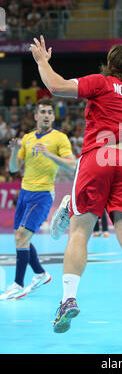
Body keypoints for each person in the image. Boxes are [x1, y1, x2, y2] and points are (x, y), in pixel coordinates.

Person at [30, 36, 122, 336]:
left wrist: (42, 61)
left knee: (80, 231)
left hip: (98, 156)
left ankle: (68, 299)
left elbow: (56, 87)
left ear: (110, 65)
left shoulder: (101, 83)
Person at [0, 98, 76, 300]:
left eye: (49, 112)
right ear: (35, 116)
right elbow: (15, 169)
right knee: (21, 238)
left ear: (53, 116)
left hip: (42, 195)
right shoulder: (27, 138)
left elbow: (72, 165)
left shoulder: (60, 138)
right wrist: (15, 151)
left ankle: (18, 285)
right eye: (42, 112)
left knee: (21, 237)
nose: (46, 115)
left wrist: (50, 155)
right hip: (25, 193)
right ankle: (41, 274)